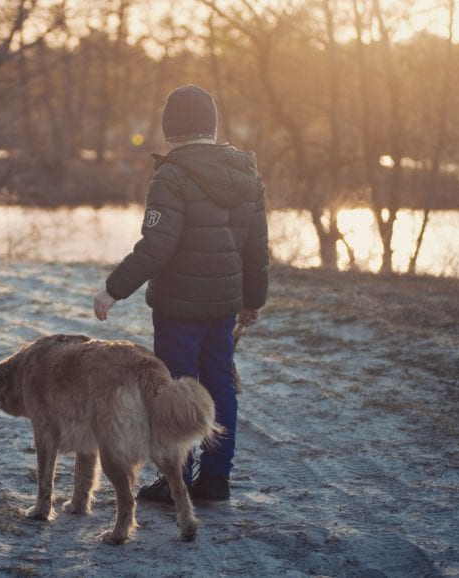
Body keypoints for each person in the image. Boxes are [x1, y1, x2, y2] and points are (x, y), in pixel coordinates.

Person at [93, 84, 268, 502]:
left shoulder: (171, 175)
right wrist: (252, 299)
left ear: (171, 128)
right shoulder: (247, 174)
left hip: (178, 308)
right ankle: (216, 479)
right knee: (220, 383)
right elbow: (256, 247)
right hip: (224, 304)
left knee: (174, 388)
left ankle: (176, 483)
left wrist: (113, 290)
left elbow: (157, 245)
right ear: (211, 126)